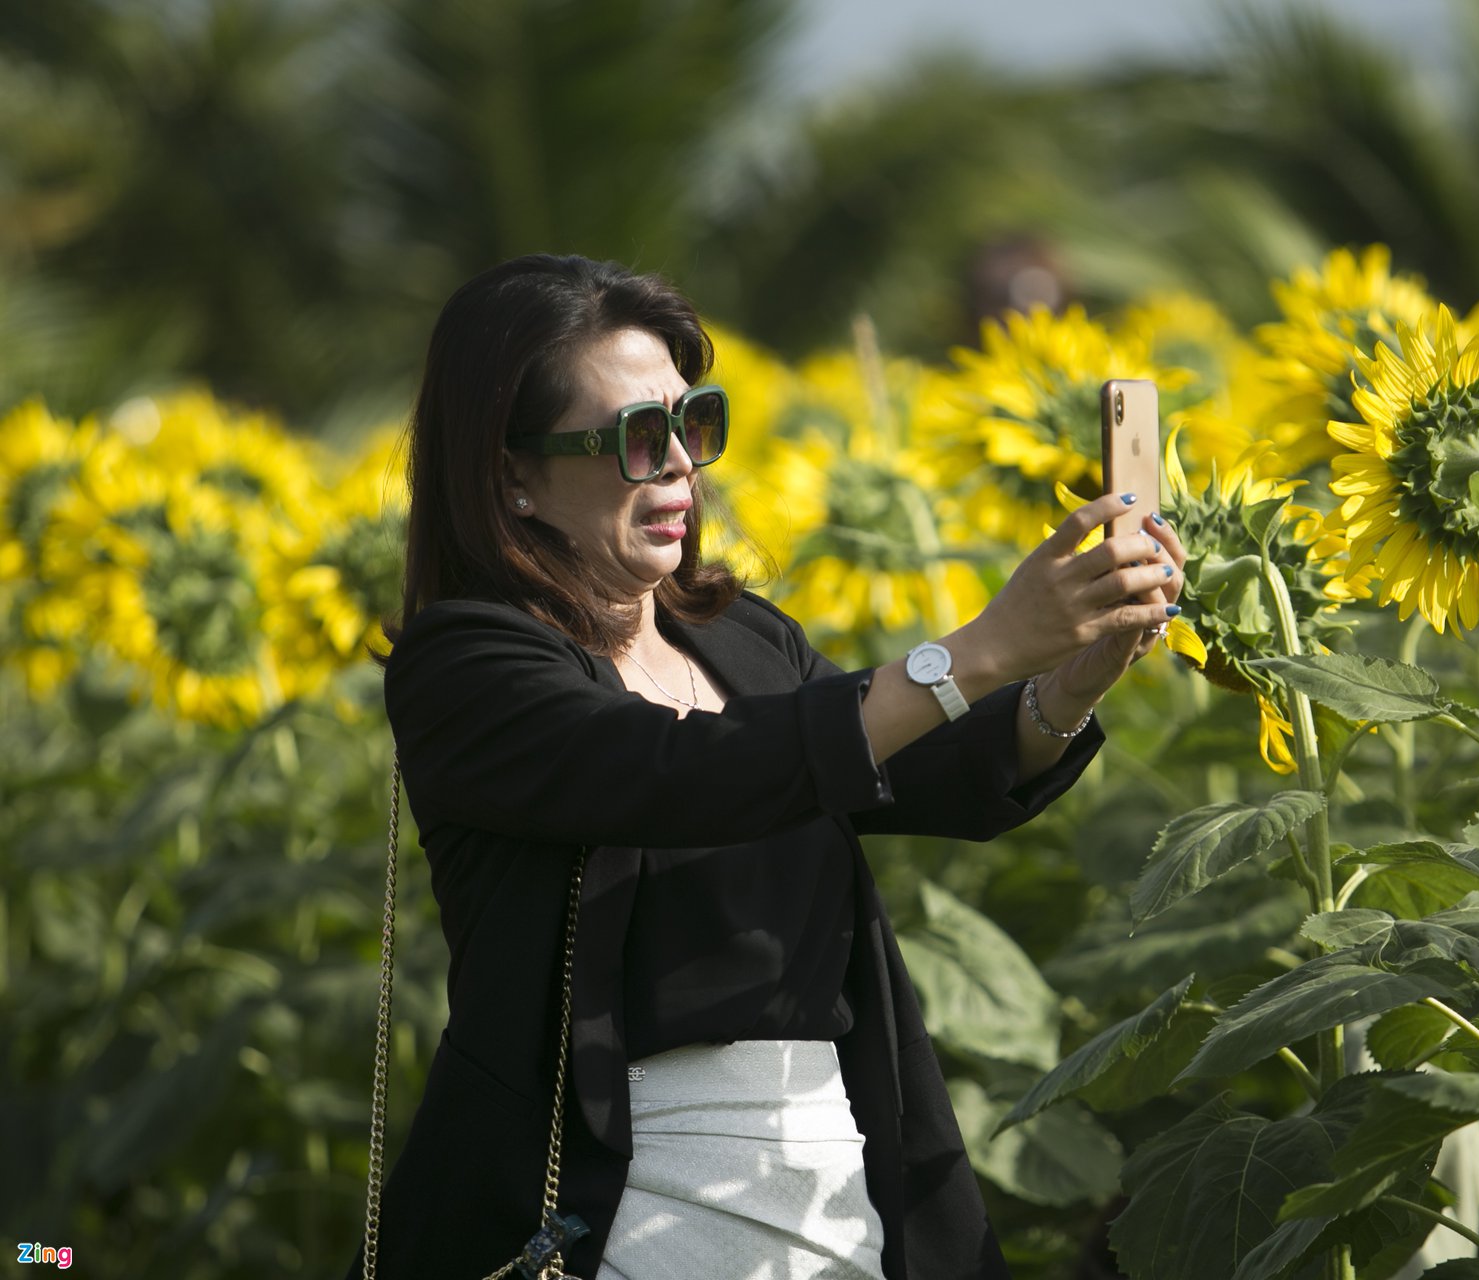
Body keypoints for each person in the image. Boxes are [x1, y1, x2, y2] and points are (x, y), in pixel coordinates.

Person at [344, 254, 1187, 1280]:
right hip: (608, 1208)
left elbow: (927, 767)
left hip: (830, 1179)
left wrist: (1074, 675)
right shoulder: (466, 667)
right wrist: (985, 643)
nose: (679, 471)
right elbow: (684, 772)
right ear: (511, 475)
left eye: (691, 425)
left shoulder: (738, 638)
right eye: (635, 441)